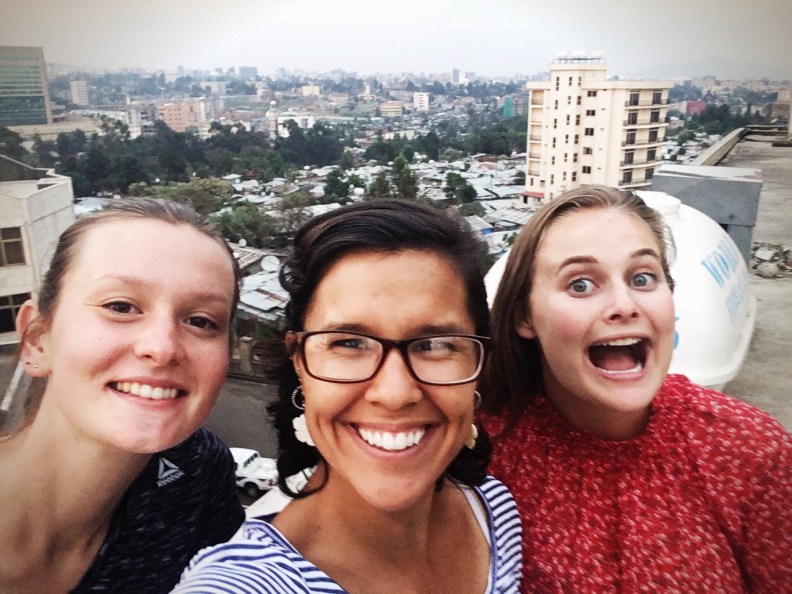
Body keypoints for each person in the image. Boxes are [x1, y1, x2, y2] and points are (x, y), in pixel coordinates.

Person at [173, 200, 522, 593]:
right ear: (299, 361)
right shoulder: (245, 584)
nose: (395, 394)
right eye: (349, 343)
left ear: (479, 361)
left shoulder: (493, 511)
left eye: (435, 344)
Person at [480, 185, 792, 593]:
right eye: (580, 285)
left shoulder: (749, 451)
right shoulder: (482, 447)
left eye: (642, 278)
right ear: (525, 316)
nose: (624, 305)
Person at [0, 198, 245, 593]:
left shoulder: (195, 474)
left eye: (201, 321)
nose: (162, 348)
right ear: (37, 339)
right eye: (120, 306)